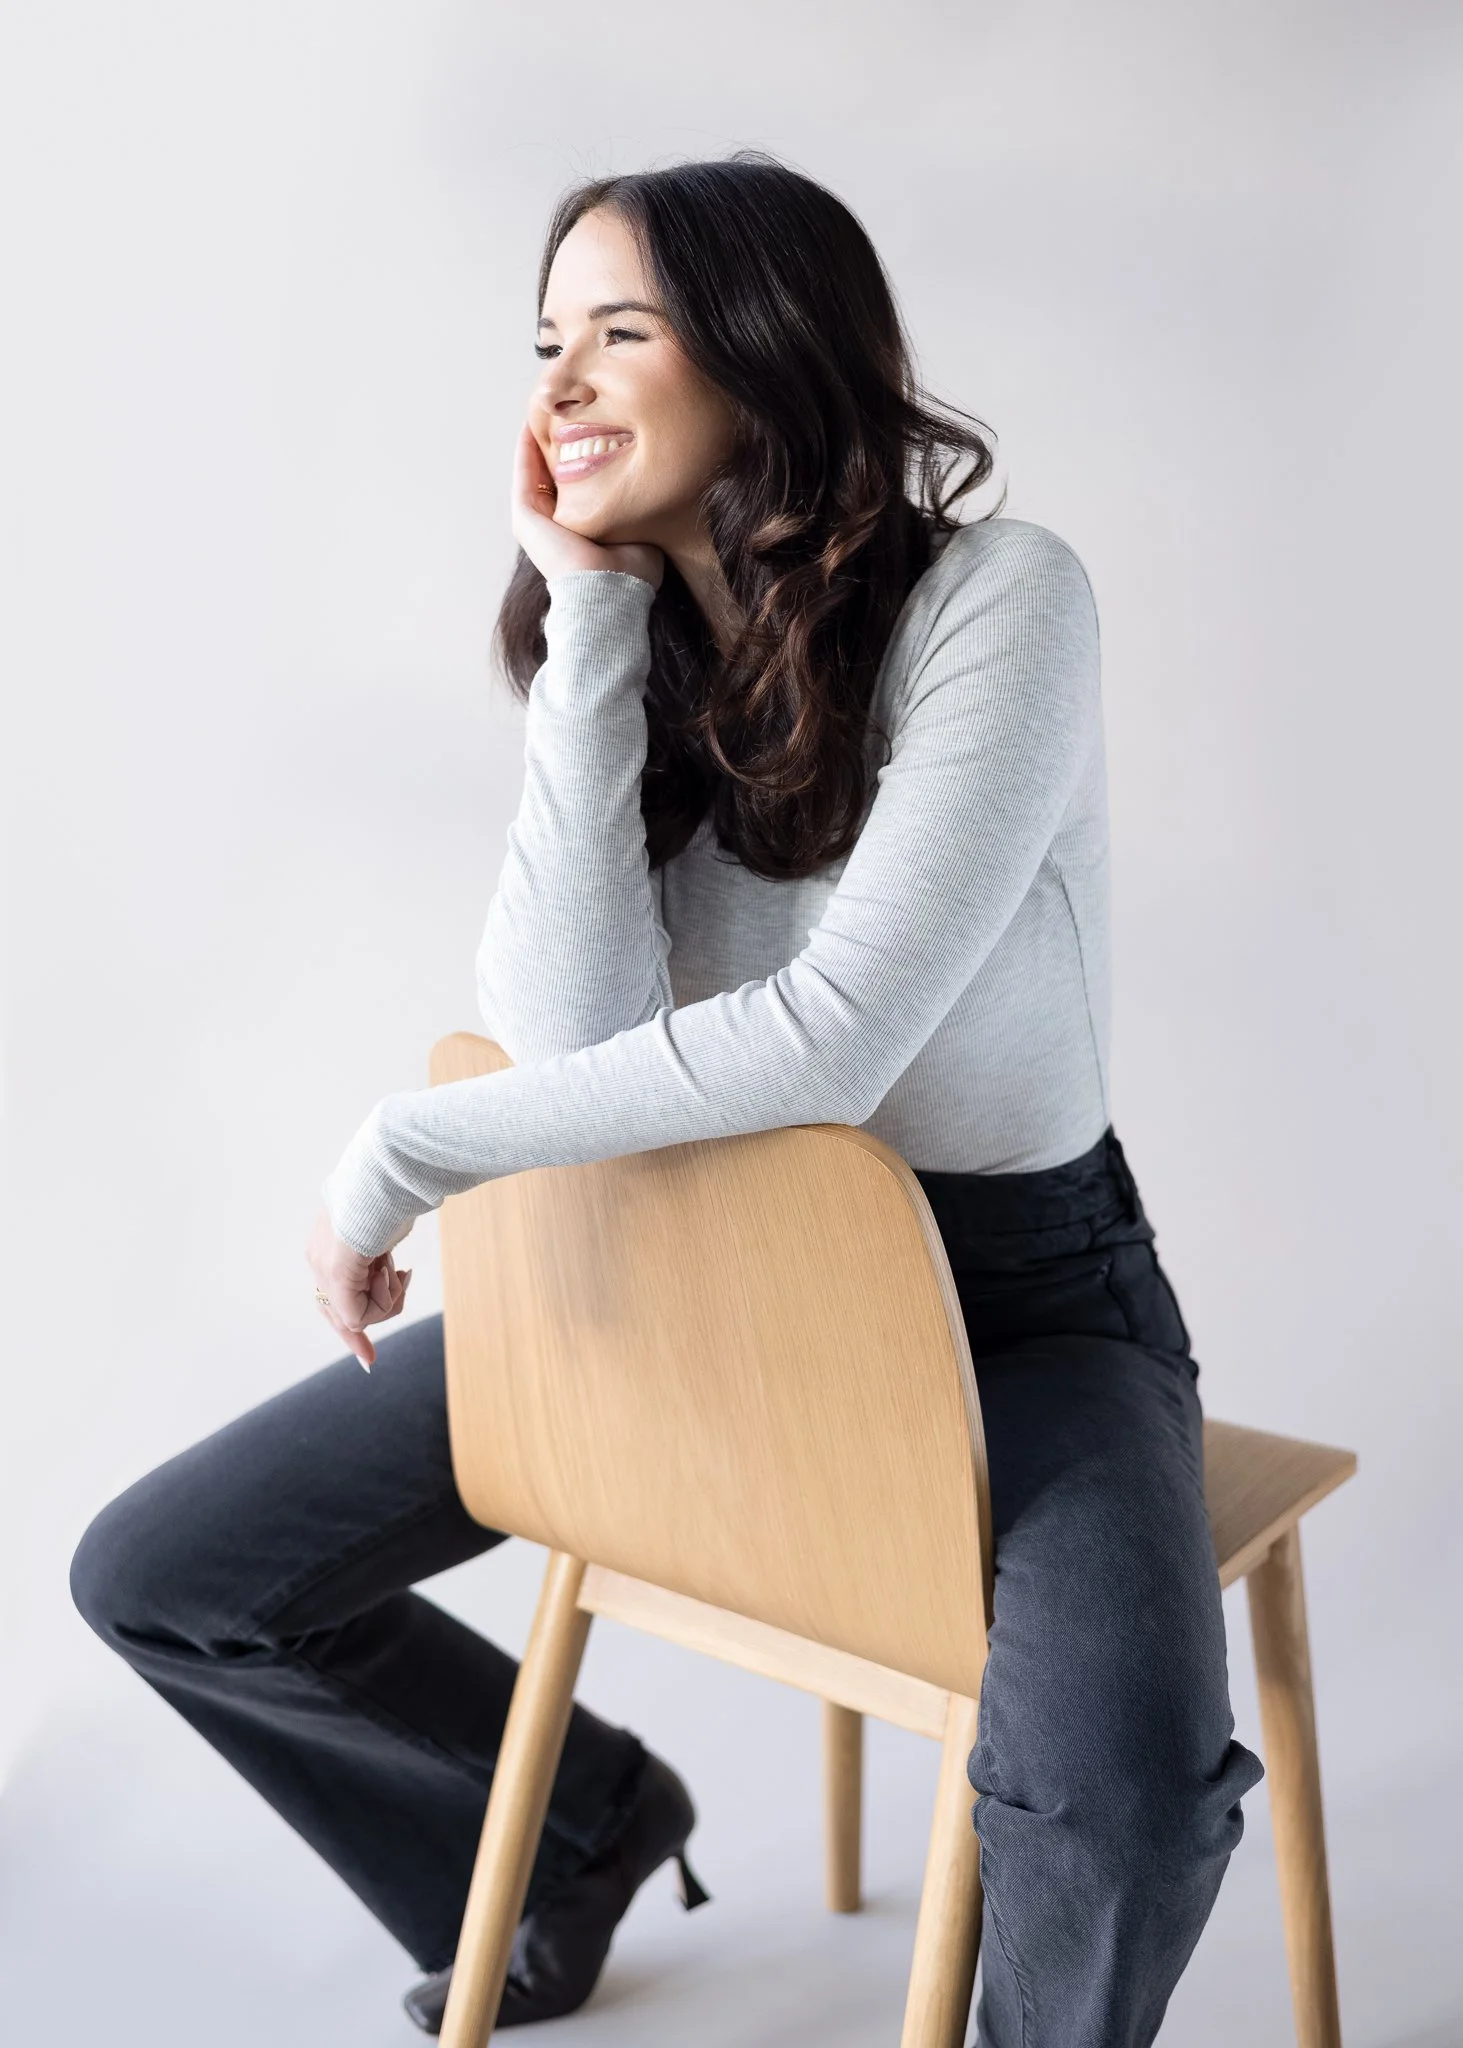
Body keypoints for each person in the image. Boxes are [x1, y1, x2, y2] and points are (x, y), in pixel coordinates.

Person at [70, 152, 1264, 2046]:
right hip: (690, 1270)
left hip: (1012, 1308)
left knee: (1120, 1791)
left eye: (619, 331)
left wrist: (403, 1149)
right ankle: (570, 1840)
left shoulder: (1002, 602)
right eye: (544, 339)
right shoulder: (624, 651)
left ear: (772, 351)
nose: (556, 384)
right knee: (171, 1578)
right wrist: (591, 622)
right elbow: (568, 1043)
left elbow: (832, 1042)